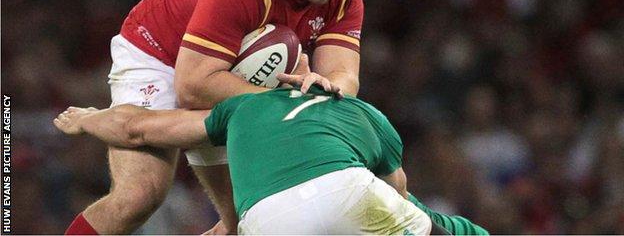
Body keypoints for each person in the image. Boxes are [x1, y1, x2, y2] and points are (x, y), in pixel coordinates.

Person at [65, 0, 370, 234]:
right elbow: (193, 87)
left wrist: (323, 92)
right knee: (139, 196)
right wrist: (283, 102)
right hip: (160, 55)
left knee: (249, 221)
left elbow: (343, 77)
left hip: (234, 74)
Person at [54, 85, 490, 235]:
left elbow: (139, 128)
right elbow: (397, 193)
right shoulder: (363, 112)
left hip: (263, 220)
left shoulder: (240, 109)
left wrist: (89, 119)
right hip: (347, 192)